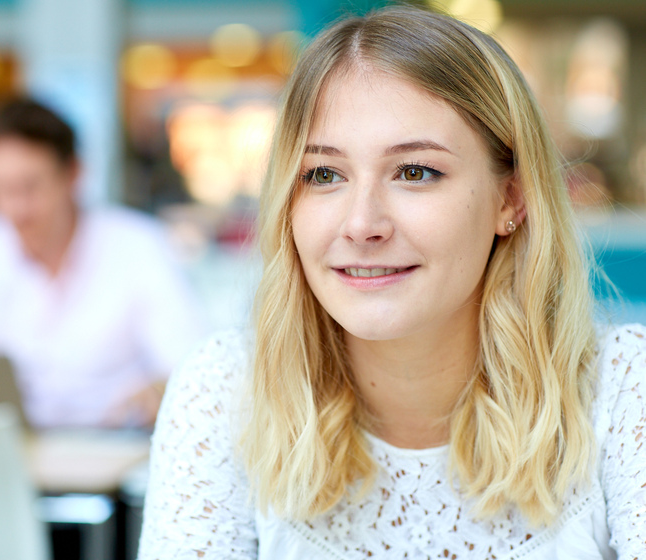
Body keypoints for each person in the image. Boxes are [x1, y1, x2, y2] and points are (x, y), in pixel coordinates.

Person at [138, 6, 645, 558]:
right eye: (324, 175)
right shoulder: (227, 390)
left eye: (415, 172)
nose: (361, 225)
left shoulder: (622, 394)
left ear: (511, 198)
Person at [0, 99, 205, 429]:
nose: (16, 210)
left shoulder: (137, 245)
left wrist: (158, 390)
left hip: (112, 449)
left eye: (30, 187)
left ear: (73, 174)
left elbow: (192, 364)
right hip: (5, 450)